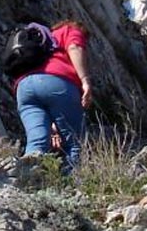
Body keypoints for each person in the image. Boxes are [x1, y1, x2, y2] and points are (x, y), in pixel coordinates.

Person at [14, 20, 92, 171]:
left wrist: (54, 127)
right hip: (57, 82)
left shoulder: (43, 40)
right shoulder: (70, 29)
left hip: (24, 88)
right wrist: (85, 80)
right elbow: (74, 47)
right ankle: (72, 185)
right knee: (75, 144)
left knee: (36, 143)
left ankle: (29, 181)